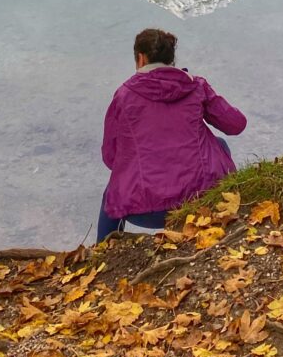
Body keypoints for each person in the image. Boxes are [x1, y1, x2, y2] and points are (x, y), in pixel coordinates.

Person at [97, 28, 247, 242]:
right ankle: (226, 213)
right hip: (202, 200)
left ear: (141, 58)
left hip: (147, 211)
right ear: (171, 59)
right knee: (219, 143)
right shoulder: (196, 86)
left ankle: (101, 254)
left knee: (112, 192)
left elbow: (110, 157)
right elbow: (236, 125)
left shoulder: (124, 96)